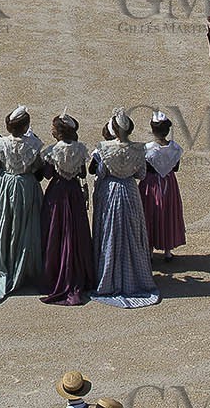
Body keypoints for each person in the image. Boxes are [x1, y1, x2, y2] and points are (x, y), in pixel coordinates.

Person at [89, 111, 160, 308]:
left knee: (110, 232)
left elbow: (99, 171)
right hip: (129, 191)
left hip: (110, 191)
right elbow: (141, 174)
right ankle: (135, 274)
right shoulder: (138, 149)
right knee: (131, 233)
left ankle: (107, 275)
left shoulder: (104, 149)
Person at [0, 106, 45, 305]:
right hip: (26, 187)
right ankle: (23, 269)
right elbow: (36, 167)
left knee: (4, 227)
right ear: (26, 127)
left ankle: (3, 265)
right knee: (25, 228)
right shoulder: (34, 143)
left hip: (6, 186)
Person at [41, 114, 94, 306]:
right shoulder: (80, 150)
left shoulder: (52, 151)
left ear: (59, 132)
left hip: (57, 193)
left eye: (53, 128)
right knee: (75, 230)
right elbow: (82, 172)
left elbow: (47, 175)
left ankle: (54, 272)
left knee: (56, 231)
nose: (51, 130)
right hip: (74, 194)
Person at [142, 112, 185, 263]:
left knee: (150, 215)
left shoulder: (147, 149)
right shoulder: (175, 148)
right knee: (168, 213)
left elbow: (144, 169)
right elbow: (176, 168)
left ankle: (149, 251)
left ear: (152, 130)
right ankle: (167, 251)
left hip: (151, 185)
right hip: (169, 183)